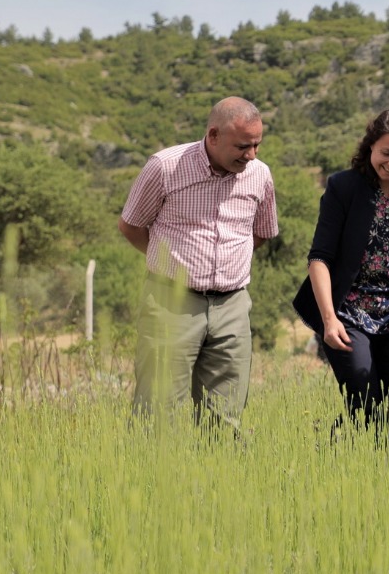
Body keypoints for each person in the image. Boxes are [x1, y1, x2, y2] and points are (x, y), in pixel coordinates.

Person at [118, 96, 278, 430]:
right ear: (213, 135)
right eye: (242, 146)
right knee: (158, 410)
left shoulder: (260, 175)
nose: (251, 155)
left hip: (232, 304)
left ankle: (217, 478)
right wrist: (172, 266)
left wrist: (224, 266)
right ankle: (154, 479)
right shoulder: (165, 167)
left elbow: (261, 233)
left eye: (256, 145)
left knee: (225, 413)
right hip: (171, 301)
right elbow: (131, 225)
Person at [293, 109, 389, 434]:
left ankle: (382, 474)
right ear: (370, 145)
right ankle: (342, 455)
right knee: (363, 389)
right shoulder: (343, 186)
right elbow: (319, 258)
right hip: (346, 311)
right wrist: (329, 320)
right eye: (386, 153)